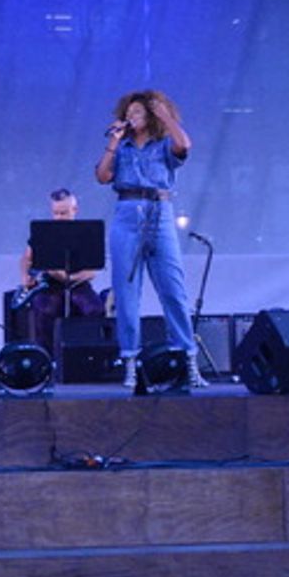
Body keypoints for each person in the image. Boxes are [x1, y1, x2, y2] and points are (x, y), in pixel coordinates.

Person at [95, 89, 203, 389]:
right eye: (128, 114)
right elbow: (103, 176)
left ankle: (188, 359)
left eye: (138, 113)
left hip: (160, 212)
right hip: (127, 213)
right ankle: (130, 360)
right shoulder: (123, 147)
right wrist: (113, 142)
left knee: (173, 289)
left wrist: (165, 116)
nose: (131, 118)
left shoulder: (164, 143)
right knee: (126, 291)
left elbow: (184, 145)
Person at [17, 188, 105, 355]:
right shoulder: (45, 232)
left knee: (94, 309)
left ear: (74, 210)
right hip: (50, 285)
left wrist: (70, 278)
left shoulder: (88, 233)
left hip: (79, 285)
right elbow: (26, 258)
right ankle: (47, 358)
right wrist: (25, 277)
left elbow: (93, 270)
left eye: (63, 213)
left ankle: (87, 356)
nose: (59, 218)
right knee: (44, 309)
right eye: (55, 213)